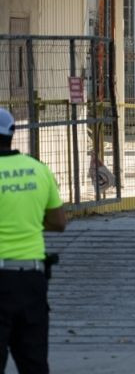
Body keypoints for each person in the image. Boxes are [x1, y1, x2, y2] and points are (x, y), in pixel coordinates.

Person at [0, 108, 67, 374]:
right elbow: (59, 223)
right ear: (12, 134)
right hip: (31, 280)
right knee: (34, 362)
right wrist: (27, 221)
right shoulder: (38, 170)